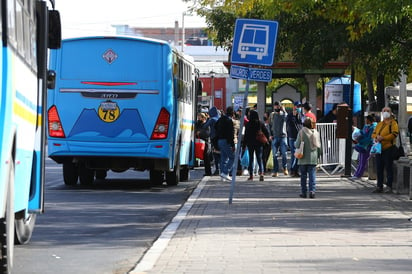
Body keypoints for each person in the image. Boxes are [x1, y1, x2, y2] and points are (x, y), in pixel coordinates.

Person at [371, 107, 399, 193]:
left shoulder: (393, 123)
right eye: (384, 111)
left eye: (388, 111)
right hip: (379, 149)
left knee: (388, 168)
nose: (386, 112)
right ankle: (379, 186)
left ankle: (389, 186)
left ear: (391, 113)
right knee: (379, 168)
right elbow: (374, 133)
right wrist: (376, 138)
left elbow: (394, 134)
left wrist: (383, 138)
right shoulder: (380, 124)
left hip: (388, 148)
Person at [295, 117, 321, 198]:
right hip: (313, 158)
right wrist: (318, 156)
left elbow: (297, 144)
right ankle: (312, 191)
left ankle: (303, 192)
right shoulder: (316, 133)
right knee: (312, 175)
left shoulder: (301, 132)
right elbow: (319, 147)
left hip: (303, 158)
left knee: (303, 176)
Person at [244, 110, 270, 181]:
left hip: (250, 144)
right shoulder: (260, 123)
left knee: (251, 159)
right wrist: (266, 140)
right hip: (259, 143)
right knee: (259, 158)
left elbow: (246, 135)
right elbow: (266, 132)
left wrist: (244, 144)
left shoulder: (248, 124)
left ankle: (251, 175)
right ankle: (261, 173)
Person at [351, 114, 377, 180]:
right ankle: (357, 174)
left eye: (367, 120)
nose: (366, 121)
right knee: (361, 160)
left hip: (368, 145)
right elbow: (362, 133)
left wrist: (360, 140)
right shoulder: (366, 126)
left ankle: (358, 175)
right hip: (363, 145)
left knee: (363, 161)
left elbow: (369, 139)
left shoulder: (373, 127)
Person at [215, 106, 235, 181]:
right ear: (232, 112)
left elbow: (215, 126)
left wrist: (219, 133)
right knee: (232, 157)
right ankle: (225, 172)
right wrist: (232, 144)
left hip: (220, 140)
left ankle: (222, 176)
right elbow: (231, 133)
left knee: (224, 158)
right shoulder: (229, 121)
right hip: (226, 141)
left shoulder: (221, 119)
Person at [269, 101, 288, 177]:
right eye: (275, 106)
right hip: (275, 136)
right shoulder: (272, 115)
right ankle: (275, 170)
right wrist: (270, 135)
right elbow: (270, 125)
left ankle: (285, 168)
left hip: (283, 136)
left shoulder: (283, 115)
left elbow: (286, 118)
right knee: (274, 155)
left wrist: (284, 110)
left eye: (277, 106)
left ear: (280, 107)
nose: (276, 107)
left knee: (284, 154)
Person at [286, 101, 303, 177]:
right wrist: (293, 116)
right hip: (292, 137)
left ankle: (295, 170)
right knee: (294, 154)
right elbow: (290, 123)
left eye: (300, 107)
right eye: (298, 106)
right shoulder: (290, 115)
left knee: (299, 154)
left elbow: (301, 124)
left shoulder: (301, 115)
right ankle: (292, 170)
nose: (299, 108)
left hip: (299, 137)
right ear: (294, 107)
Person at [203, 106, 220, 175]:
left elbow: (205, 126)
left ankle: (217, 169)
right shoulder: (219, 118)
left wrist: (207, 119)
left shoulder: (212, 119)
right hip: (220, 138)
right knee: (221, 154)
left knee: (215, 154)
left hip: (214, 138)